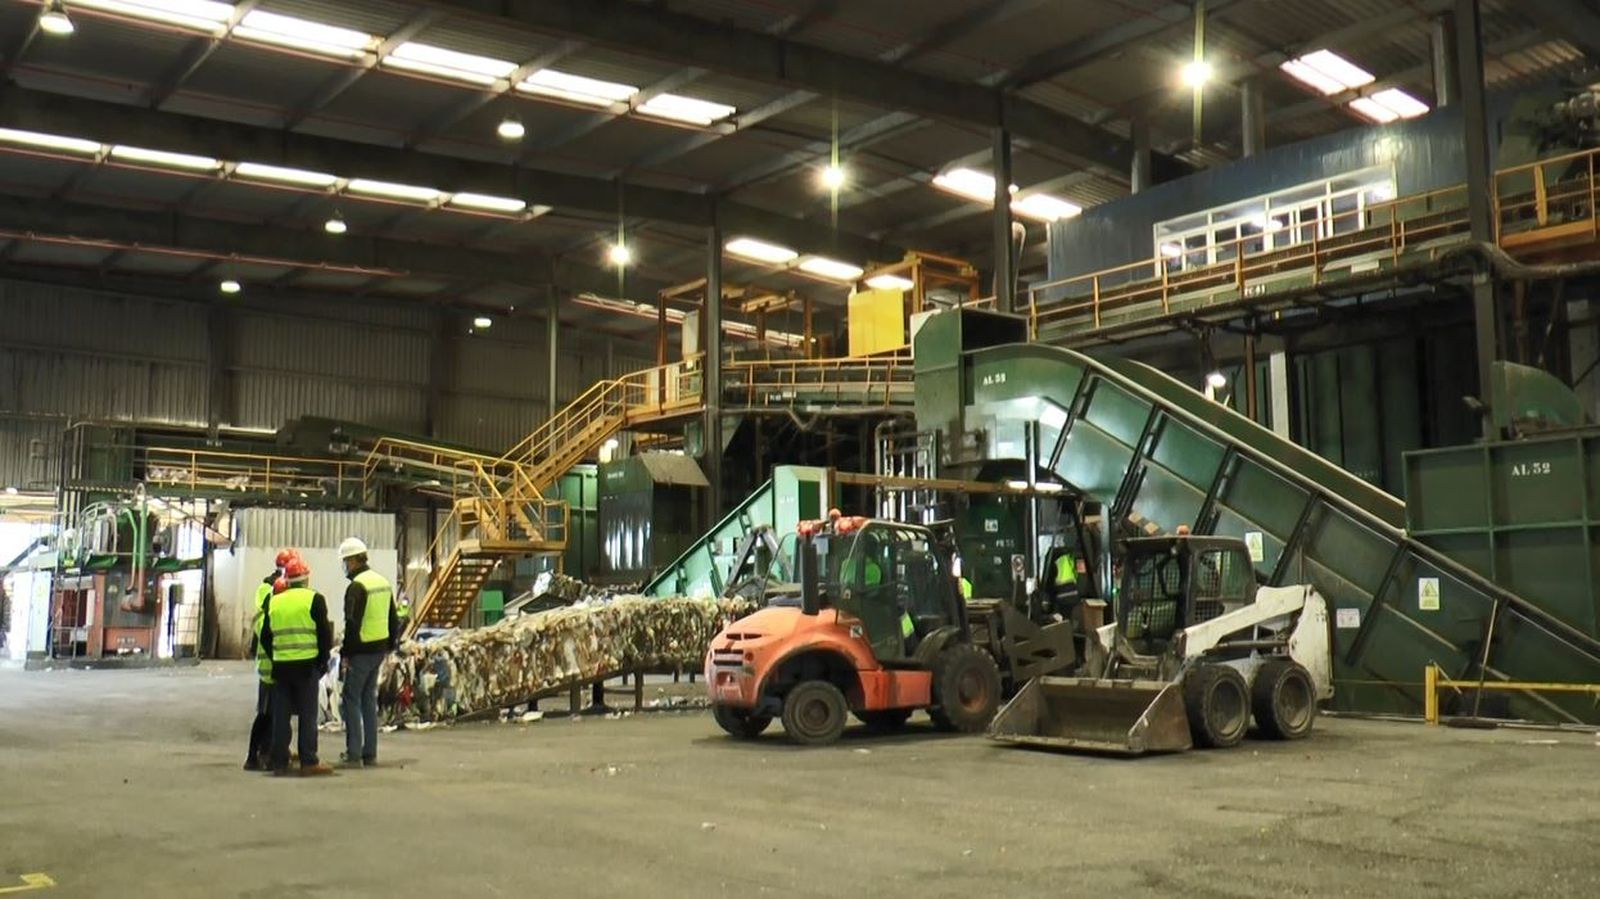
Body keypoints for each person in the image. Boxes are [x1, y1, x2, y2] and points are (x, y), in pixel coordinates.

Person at [260, 557, 335, 777]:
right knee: (307, 715)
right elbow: (324, 636)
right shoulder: (315, 599)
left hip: (282, 667)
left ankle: (279, 761)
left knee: (281, 716)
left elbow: (265, 636)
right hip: (307, 666)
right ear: (306, 578)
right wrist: (322, 662)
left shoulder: (274, 601)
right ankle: (308, 761)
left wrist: (276, 655)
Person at [338, 537, 397, 769]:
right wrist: (391, 644)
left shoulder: (357, 587)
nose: (344, 566)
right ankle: (369, 753)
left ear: (353, 561)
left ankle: (354, 753)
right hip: (379, 649)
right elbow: (393, 618)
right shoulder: (382, 582)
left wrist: (346, 653)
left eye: (345, 561)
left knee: (350, 699)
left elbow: (352, 623)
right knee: (367, 700)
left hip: (361, 651)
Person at [244, 549, 297, 771]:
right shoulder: (269, 589)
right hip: (270, 661)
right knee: (267, 713)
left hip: (280, 659)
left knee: (278, 713)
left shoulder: (279, 588)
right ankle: (255, 756)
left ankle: (273, 750)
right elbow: (267, 625)